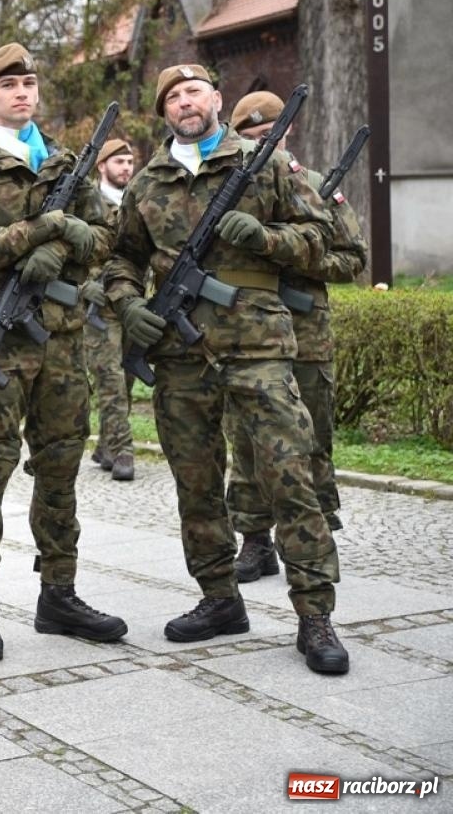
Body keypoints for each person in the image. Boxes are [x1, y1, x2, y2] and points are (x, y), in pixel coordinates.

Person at [104, 65, 348, 674]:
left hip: (257, 343)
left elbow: (326, 239)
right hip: (179, 355)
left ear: (216, 99)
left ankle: (314, 615)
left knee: (289, 473)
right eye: (173, 96)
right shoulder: (147, 184)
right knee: (195, 481)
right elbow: (120, 260)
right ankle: (218, 598)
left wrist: (266, 239)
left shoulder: (265, 164)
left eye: (195, 91)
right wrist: (129, 303)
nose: (185, 102)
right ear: (164, 112)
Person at [0, 42, 128, 662]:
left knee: (60, 472)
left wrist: (68, 236)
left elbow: (106, 239)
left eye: (29, 83)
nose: (22, 92)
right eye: (8, 85)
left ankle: (59, 594)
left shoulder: (67, 162)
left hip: (64, 345)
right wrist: (39, 233)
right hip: (0, 343)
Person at [219, 91, 366, 582]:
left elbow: (352, 258)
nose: (270, 142)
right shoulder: (230, 191)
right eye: (258, 136)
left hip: (306, 336)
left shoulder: (316, 186)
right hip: (251, 334)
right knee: (246, 440)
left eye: (275, 132)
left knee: (312, 438)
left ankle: (315, 536)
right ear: (239, 138)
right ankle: (255, 540)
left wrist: (295, 257)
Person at [85, 139, 137, 481]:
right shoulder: (86, 202)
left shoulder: (138, 200)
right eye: (119, 161)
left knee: (129, 377)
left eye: (131, 162)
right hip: (100, 306)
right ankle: (122, 450)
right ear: (102, 166)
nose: (127, 168)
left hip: (133, 302)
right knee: (111, 378)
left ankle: (105, 444)